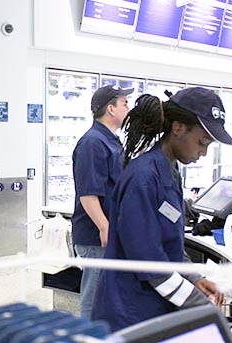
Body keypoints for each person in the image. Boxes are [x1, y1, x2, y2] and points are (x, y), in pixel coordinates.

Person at [92, 87, 232, 331]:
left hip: (153, 307)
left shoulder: (169, 171)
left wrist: (193, 278)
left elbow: (168, 245)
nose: (203, 152)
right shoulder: (143, 178)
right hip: (129, 311)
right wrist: (200, 306)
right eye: (202, 142)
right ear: (178, 128)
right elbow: (149, 262)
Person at [71, 85, 133, 319]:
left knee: (105, 296)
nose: (128, 108)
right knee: (94, 297)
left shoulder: (110, 141)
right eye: (124, 103)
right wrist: (104, 227)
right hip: (95, 236)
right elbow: (87, 194)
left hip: (107, 233)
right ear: (111, 108)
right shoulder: (92, 143)